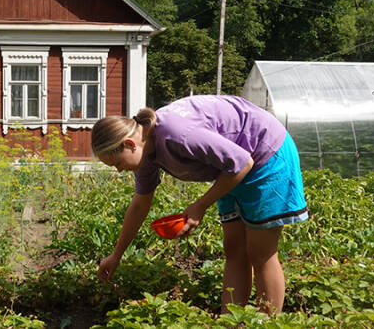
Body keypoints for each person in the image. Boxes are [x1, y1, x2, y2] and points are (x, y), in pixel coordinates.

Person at [91, 95, 308, 314]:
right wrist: (116, 255)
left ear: (129, 144)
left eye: (117, 163)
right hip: (231, 168)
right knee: (234, 248)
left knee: (260, 253)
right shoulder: (145, 152)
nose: (119, 170)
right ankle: (229, 322)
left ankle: (267, 322)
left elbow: (244, 162)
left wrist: (200, 206)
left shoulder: (177, 134)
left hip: (265, 154)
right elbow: (140, 204)